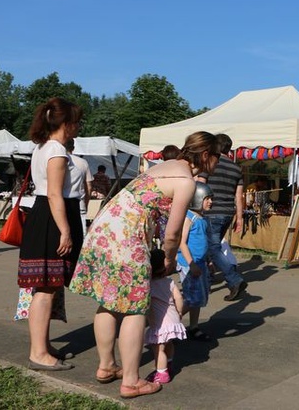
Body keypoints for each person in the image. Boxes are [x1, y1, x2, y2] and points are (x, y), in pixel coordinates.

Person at [69, 131, 220, 399]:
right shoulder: (185, 181)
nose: (219, 162)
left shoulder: (162, 166)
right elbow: (173, 233)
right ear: (206, 155)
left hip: (105, 229)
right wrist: (170, 259)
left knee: (110, 302)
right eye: (218, 156)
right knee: (135, 310)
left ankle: (106, 366)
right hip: (129, 237)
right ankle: (131, 381)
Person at [18, 97, 84, 371]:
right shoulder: (56, 149)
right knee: (45, 289)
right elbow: (55, 193)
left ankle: (42, 346)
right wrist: (65, 231)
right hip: (52, 218)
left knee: (47, 287)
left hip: (44, 215)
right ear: (67, 124)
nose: (79, 127)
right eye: (77, 121)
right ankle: (38, 353)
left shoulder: (43, 146)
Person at [197, 133, 247, 301]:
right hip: (228, 212)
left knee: (212, 248)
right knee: (211, 247)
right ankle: (208, 279)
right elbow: (238, 196)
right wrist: (239, 218)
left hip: (211, 211)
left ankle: (234, 279)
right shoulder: (236, 168)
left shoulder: (210, 163)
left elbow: (200, 186)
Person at [177, 182, 214, 342]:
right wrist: (191, 264)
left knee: (198, 297)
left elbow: (205, 242)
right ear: (197, 198)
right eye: (207, 199)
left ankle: (193, 326)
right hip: (189, 263)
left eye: (210, 199)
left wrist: (209, 261)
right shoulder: (189, 217)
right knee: (192, 297)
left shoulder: (203, 219)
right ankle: (169, 323)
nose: (210, 202)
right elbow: (182, 242)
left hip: (201, 263)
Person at [144, 248, 186, 384]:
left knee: (159, 348)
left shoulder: (149, 285)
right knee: (169, 344)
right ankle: (169, 364)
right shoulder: (169, 282)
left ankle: (161, 373)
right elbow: (179, 298)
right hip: (173, 318)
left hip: (160, 322)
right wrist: (179, 312)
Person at [65, 139, 93, 236]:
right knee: (81, 234)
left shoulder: (58, 161)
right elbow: (88, 187)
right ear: (73, 148)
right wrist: (86, 202)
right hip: (79, 203)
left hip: (62, 203)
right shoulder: (83, 162)